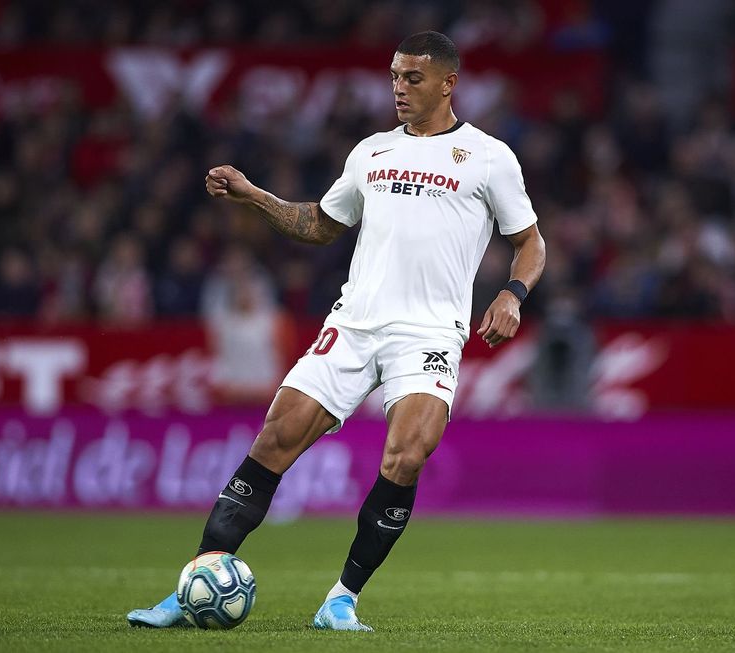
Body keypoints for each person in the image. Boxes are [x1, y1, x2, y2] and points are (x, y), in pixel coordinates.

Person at [127, 30, 546, 632]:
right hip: (353, 324)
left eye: (413, 78)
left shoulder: (488, 157)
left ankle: (341, 599)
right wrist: (255, 196)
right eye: (395, 76)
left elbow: (530, 243)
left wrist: (513, 293)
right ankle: (194, 581)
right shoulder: (371, 152)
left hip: (428, 332)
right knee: (275, 439)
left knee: (408, 453)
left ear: (448, 83)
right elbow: (321, 225)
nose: (398, 88)